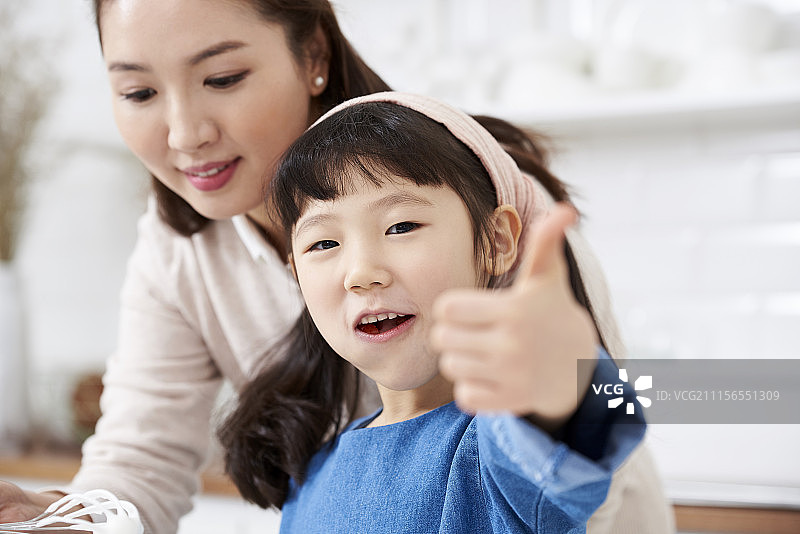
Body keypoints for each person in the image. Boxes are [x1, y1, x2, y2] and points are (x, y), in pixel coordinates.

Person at [0, 1, 672, 534]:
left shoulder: (487, 198)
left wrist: (569, 388)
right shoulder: (181, 252)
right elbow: (139, 459)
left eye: (223, 78)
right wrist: (65, 521)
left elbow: (588, 419)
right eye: (139, 91)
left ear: (314, 55)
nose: (185, 133)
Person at [219, 92, 647, 533]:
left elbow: (567, 437)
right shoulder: (312, 475)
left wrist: (564, 374)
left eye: (401, 226)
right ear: (296, 274)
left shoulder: (497, 454)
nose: (361, 273)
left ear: (497, 240)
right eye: (324, 243)